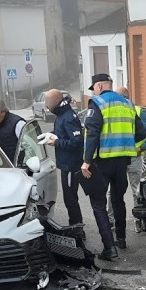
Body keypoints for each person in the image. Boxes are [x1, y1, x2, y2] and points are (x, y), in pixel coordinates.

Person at [81, 73, 146, 260]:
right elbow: (141, 132)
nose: (93, 91)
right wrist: (125, 142)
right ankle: (122, 239)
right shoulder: (127, 104)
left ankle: (109, 248)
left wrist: (86, 162)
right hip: (122, 162)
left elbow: (92, 133)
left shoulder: (98, 103)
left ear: (100, 86)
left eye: (93, 87)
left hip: (102, 162)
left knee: (98, 204)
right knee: (118, 200)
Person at [113, 86, 146, 222]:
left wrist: (141, 148)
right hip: (119, 157)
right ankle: (114, 221)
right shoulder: (114, 112)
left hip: (131, 157)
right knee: (118, 191)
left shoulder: (137, 111)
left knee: (135, 190)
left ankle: (138, 220)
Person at [42, 89, 84, 228]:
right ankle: (75, 224)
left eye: (47, 103)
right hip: (66, 164)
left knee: (70, 198)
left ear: (56, 101)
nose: (46, 106)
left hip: (71, 165)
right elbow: (62, 133)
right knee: (69, 197)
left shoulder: (68, 117)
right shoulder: (61, 114)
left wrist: (56, 142)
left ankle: (76, 227)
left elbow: (77, 141)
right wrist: (51, 135)